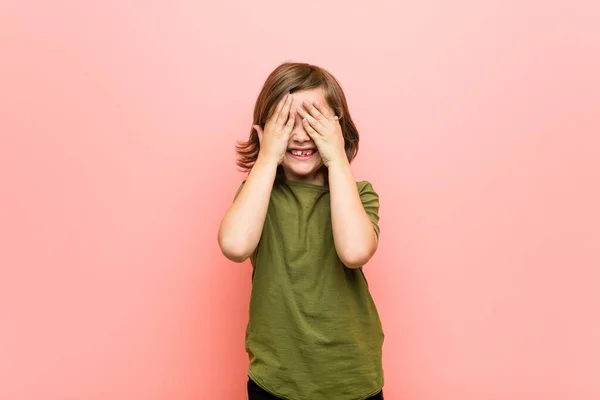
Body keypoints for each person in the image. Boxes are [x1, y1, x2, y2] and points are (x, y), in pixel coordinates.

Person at [217, 61, 385, 400]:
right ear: (264, 130)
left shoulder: (359, 194)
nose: (299, 134)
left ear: (340, 130)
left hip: (352, 376)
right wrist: (267, 158)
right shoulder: (258, 195)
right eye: (287, 122)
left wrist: (336, 159)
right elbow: (235, 245)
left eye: (314, 122)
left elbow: (354, 253)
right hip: (276, 378)